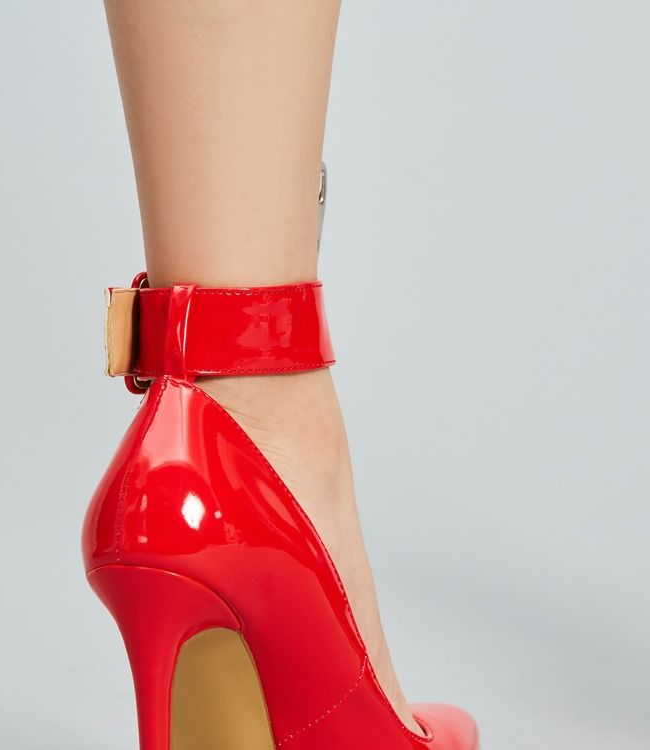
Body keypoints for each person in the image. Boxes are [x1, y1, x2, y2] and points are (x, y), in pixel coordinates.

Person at [82, 2, 478, 748]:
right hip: (245, 455)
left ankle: (221, 414)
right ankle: (258, 415)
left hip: (177, 464)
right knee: (259, 400)